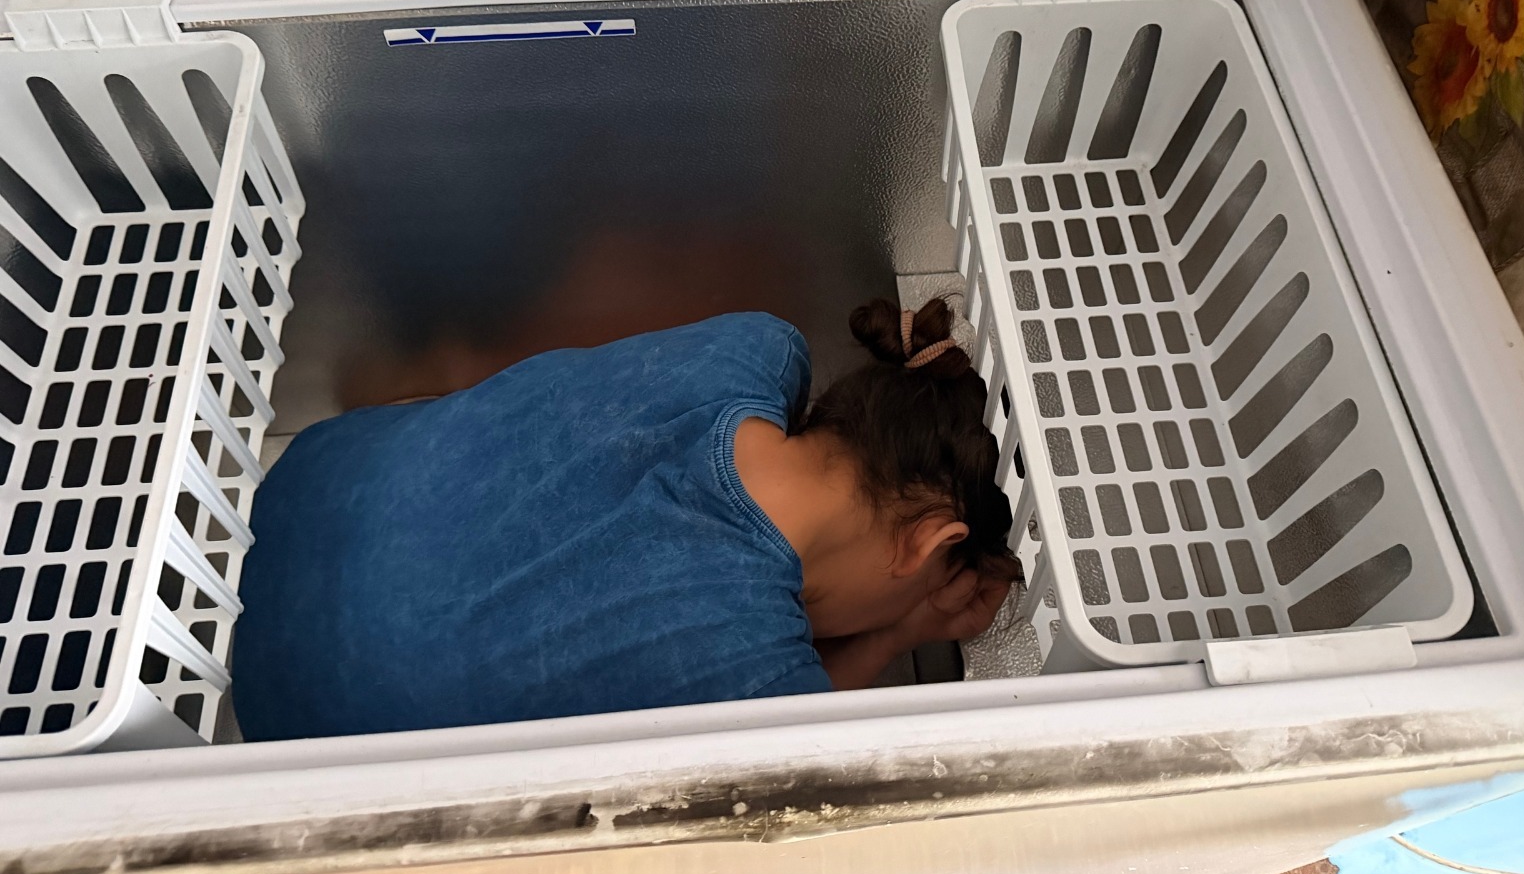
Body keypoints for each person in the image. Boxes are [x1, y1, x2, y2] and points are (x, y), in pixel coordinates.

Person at [230, 297, 1021, 740]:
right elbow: (788, 703)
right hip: (287, 713)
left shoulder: (756, 348)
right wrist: (898, 632)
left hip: (306, 481)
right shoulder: (755, 675)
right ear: (930, 540)